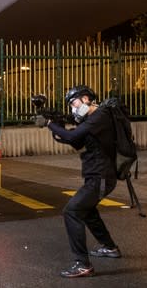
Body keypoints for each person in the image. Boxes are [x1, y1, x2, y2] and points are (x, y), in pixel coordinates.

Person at [45, 85, 122, 278]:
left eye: (74, 103)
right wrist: (57, 127)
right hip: (97, 175)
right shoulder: (92, 119)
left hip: (101, 177)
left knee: (72, 211)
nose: (72, 108)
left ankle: (82, 264)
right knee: (87, 211)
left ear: (86, 98)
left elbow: (72, 136)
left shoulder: (100, 116)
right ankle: (109, 247)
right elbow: (76, 141)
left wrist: (49, 124)